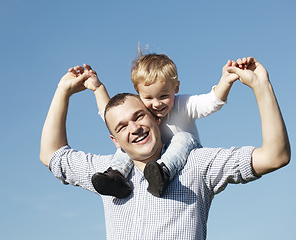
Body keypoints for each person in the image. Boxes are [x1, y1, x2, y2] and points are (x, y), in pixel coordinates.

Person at [39, 57, 290, 239]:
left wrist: (261, 85)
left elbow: (275, 156)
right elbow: (51, 154)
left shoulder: (196, 165)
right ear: (114, 140)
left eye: (139, 116)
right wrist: (63, 91)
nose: (134, 128)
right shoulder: (105, 175)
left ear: (155, 118)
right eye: (122, 127)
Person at [75, 53, 239, 198]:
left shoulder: (183, 105)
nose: (156, 104)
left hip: (186, 154)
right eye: (149, 98)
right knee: (125, 145)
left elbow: (211, 102)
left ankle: (163, 173)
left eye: (163, 96)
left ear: (176, 88)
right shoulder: (141, 110)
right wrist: (97, 88)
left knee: (182, 137)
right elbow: (111, 114)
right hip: (155, 159)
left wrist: (226, 81)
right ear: (138, 92)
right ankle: (117, 177)